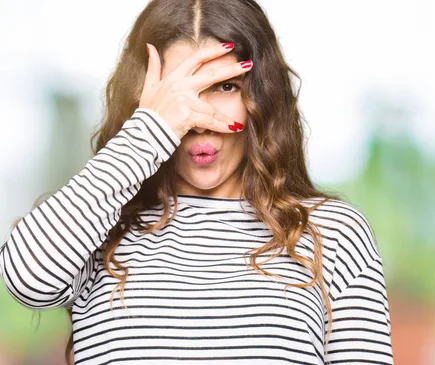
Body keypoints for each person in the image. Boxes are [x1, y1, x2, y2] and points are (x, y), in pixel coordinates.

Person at [0, 0, 394, 364]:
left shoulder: (332, 234)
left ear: (260, 94)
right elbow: (27, 281)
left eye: (225, 87)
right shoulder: (98, 224)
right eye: (179, 90)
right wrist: (151, 131)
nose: (200, 117)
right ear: (146, 97)